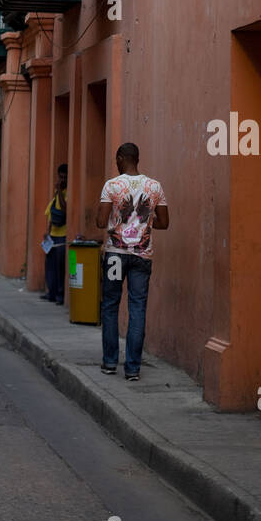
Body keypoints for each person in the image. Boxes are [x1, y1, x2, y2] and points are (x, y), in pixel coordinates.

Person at [96, 142, 169, 381]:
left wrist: (115, 222)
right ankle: (133, 368)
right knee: (137, 308)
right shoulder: (154, 186)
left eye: (116, 160)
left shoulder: (112, 185)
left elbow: (100, 221)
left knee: (110, 305)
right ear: (137, 159)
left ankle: (109, 363)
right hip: (141, 256)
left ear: (120, 158)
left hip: (116, 255)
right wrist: (143, 224)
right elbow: (164, 222)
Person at [40, 164, 68, 305]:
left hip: (63, 236)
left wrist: (59, 192)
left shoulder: (67, 192)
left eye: (64, 177)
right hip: (53, 235)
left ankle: (60, 295)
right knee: (50, 265)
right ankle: (51, 292)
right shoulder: (56, 193)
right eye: (60, 177)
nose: (62, 180)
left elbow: (64, 210)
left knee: (60, 267)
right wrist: (47, 231)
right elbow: (51, 211)